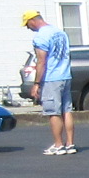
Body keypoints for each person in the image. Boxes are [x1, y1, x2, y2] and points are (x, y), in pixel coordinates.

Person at [24, 9, 75, 156]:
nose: (28, 28)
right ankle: (70, 143)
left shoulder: (41, 36)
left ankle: (58, 145)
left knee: (53, 112)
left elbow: (41, 61)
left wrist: (36, 84)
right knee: (66, 110)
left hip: (52, 77)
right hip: (65, 75)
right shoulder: (60, 32)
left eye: (28, 24)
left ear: (33, 20)